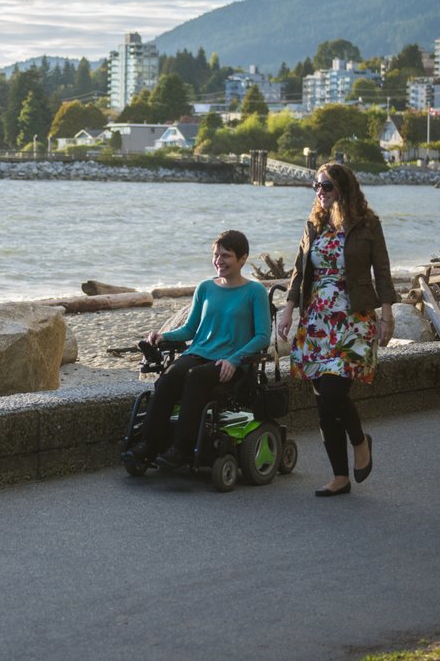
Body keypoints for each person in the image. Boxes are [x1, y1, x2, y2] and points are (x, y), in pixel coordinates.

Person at [275, 162, 396, 498]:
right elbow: (300, 270)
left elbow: (382, 271)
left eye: (326, 186)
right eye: (317, 186)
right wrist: (288, 311)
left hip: (354, 317)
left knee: (333, 392)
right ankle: (339, 476)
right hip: (317, 320)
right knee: (322, 401)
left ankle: (359, 442)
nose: (320, 192)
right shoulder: (315, 223)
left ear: (344, 188)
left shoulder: (367, 224)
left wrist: (387, 314)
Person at [121, 230, 271, 472]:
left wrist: (234, 360)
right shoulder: (205, 288)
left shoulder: (255, 292)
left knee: (196, 378)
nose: (218, 261)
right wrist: (163, 336)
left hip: (230, 362)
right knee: (170, 375)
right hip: (200, 352)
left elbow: (263, 336)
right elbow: (190, 329)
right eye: (215, 255)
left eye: (226, 256)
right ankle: (149, 444)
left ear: (243, 258)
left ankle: (181, 447)